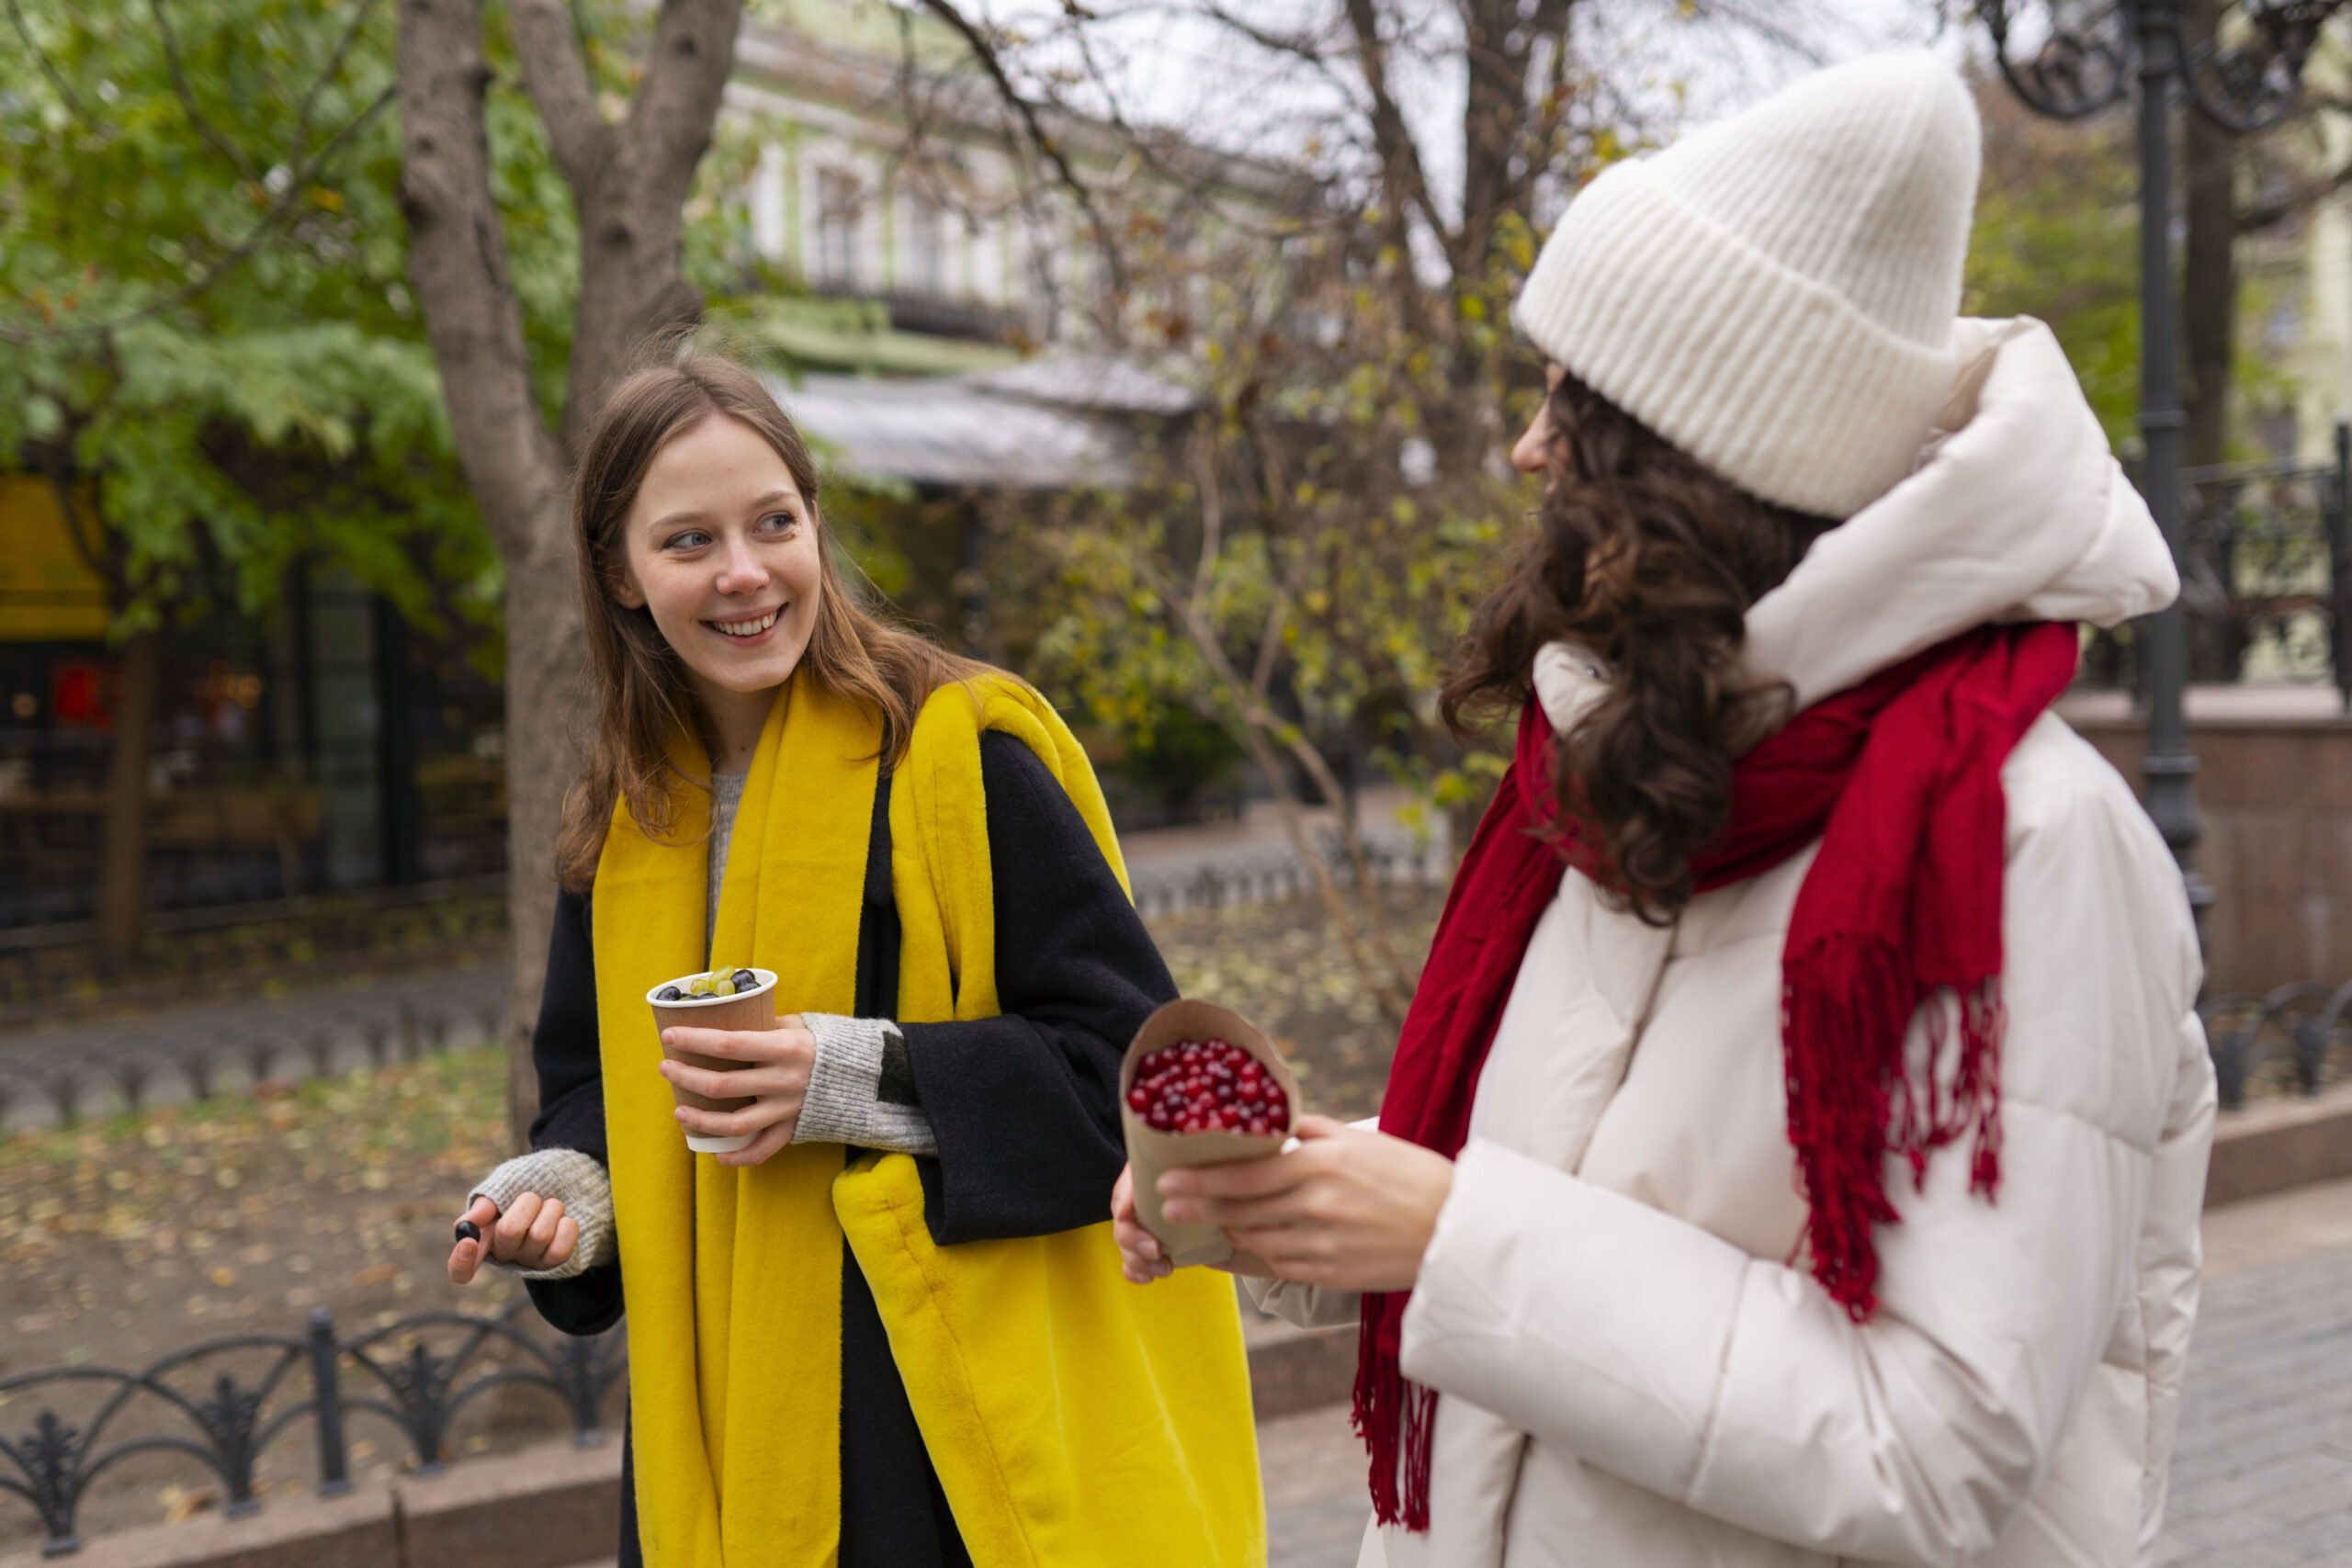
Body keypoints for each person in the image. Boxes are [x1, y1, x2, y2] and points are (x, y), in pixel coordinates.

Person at [1113, 51, 2214, 1567]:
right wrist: (1314, 1203)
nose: (1525, 450)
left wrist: (1447, 1237)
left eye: (1573, 404)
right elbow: (1576, 1188)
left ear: (1708, 463)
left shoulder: (2026, 842)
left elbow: (1942, 1450)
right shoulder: (1635, 772)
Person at [447, 356, 1263, 1567]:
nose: (743, 572)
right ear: (620, 572)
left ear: (815, 527)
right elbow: (595, 1088)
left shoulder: (955, 761)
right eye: (688, 541)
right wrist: (569, 1197)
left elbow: (1131, 1075)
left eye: (774, 523)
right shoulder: (625, 822)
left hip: (934, 1436)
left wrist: (847, 1076)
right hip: (717, 1428)